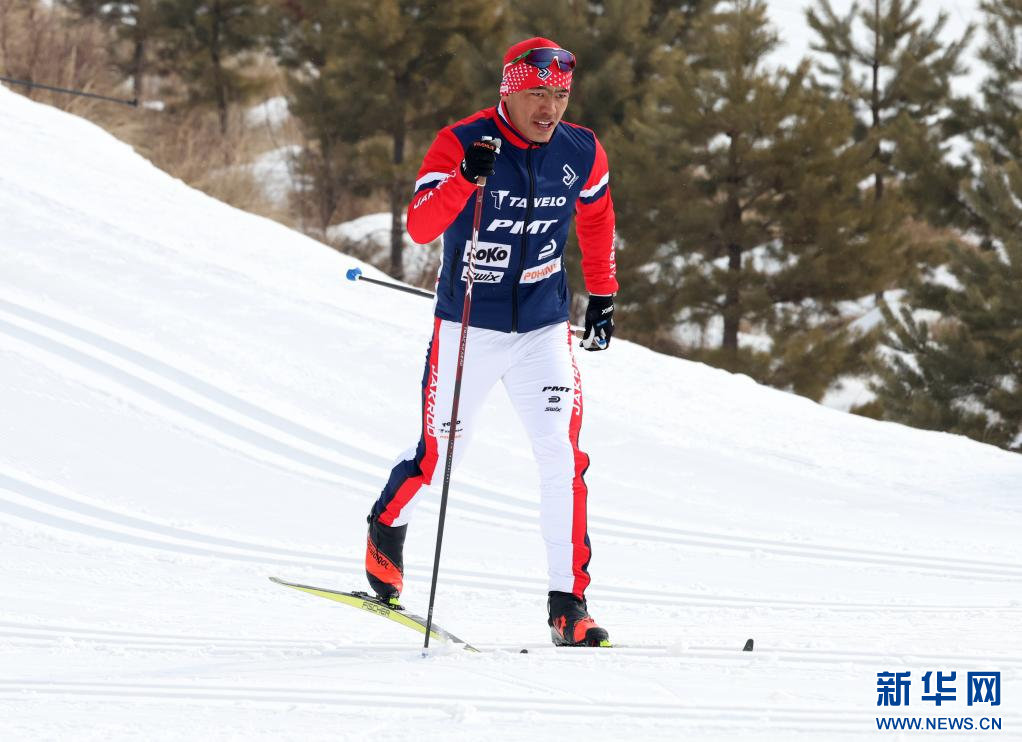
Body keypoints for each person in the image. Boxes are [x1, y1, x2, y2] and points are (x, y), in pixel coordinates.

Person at [364, 37, 618, 647]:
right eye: (537, 94)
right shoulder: (463, 141)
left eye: (559, 95)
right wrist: (462, 179)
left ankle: (569, 604)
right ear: (510, 91)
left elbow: (597, 217)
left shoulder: (581, 149)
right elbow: (421, 224)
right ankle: (385, 526)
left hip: (542, 330)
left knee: (563, 459)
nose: (549, 108)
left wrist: (603, 293)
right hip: (467, 328)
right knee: (441, 452)